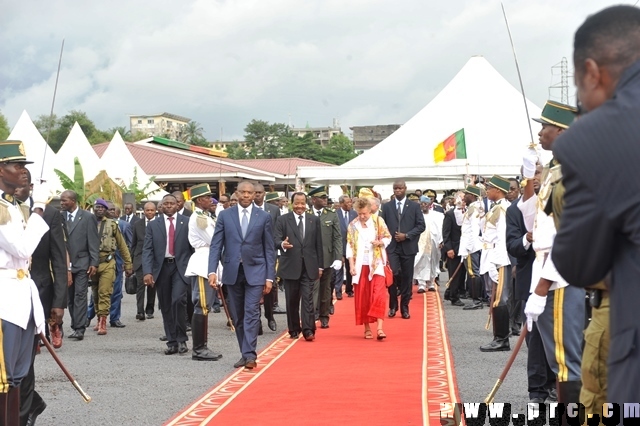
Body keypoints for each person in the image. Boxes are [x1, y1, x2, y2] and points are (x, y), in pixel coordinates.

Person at [520, 100, 584, 408]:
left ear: (561, 131)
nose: (540, 132)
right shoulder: (556, 171)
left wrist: (543, 288)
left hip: (558, 274)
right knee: (556, 356)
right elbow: (535, 221)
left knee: (564, 358)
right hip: (545, 266)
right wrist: (529, 180)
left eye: (545, 126)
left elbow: (567, 238)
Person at [0, 140, 50, 425]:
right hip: (4, 298)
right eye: (16, 165)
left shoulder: (13, 206)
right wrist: (40, 208)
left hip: (21, 295)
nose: (22, 172)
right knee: (4, 376)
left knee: (17, 374)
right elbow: (22, 249)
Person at [14, 165, 67, 425]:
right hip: (10, 291)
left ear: (32, 187)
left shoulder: (51, 214)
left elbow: (58, 258)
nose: (19, 189)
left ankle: (23, 412)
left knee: (27, 355)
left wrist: (59, 303)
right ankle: (30, 401)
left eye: (25, 184)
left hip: (39, 291)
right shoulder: (7, 209)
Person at [209, 181, 276, 369]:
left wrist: (270, 277)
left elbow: (269, 248)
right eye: (243, 192)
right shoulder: (225, 215)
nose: (246, 195)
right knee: (237, 316)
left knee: (251, 313)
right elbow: (216, 245)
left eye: (250, 193)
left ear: (255, 195)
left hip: (256, 271)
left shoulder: (263, 217)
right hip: (232, 272)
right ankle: (245, 353)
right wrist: (212, 271)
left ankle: (250, 355)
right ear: (236, 194)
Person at [506, 163, 557, 403]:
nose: (536, 178)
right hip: (530, 277)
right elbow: (513, 245)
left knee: (557, 335)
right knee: (534, 338)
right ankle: (537, 390)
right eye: (531, 174)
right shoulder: (516, 210)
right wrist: (527, 238)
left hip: (557, 276)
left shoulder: (555, 198)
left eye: (539, 173)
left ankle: (556, 383)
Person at [143, 194, 193, 355]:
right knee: (165, 305)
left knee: (178, 301)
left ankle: (182, 338)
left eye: (172, 203)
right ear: (162, 206)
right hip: (161, 268)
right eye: (166, 204)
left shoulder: (187, 222)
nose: (170, 206)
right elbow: (147, 249)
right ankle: (172, 342)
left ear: (178, 206)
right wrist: (147, 271)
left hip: (181, 268)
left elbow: (193, 247)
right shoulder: (153, 225)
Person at [275, 192, 323, 341]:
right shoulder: (282, 220)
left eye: (302, 203)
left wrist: (320, 266)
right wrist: (282, 244)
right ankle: (294, 329)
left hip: (309, 266)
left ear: (306, 204)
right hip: (290, 266)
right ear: (291, 203)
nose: (299, 206)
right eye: (297, 203)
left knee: (308, 299)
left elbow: (318, 244)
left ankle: (308, 330)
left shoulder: (313, 220)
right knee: (292, 300)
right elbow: (275, 238)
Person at [184, 184, 223, 361]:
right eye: (207, 197)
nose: (210, 200)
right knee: (202, 304)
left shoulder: (206, 216)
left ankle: (202, 346)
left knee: (204, 305)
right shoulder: (199, 218)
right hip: (203, 262)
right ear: (200, 200)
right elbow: (214, 240)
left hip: (209, 260)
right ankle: (199, 349)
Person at [379, 180, 426, 319]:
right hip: (391, 247)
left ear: (405, 189)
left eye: (400, 188)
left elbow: (421, 226)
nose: (398, 190)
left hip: (408, 246)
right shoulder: (386, 207)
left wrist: (407, 235)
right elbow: (382, 226)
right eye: (395, 188)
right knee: (392, 274)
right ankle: (393, 305)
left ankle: (405, 307)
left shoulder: (414, 206)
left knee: (407, 277)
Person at [346, 197, 391, 339]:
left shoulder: (378, 221)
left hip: (377, 264)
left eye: (364, 213)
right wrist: (351, 266)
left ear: (370, 210)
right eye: (359, 213)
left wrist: (380, 242)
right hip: (360, 266)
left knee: (379, 295)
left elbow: (388, 237)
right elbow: (350, 246)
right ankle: (366, 327)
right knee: (363, 297)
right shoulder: (353, 225)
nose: (362, 216)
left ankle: (380, 328)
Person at [88, 199, 133, 335]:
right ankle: (98, 318)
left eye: (103, 207)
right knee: (95, 293)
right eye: (97, 207)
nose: (100, 209)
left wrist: (128, 263)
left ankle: (103, 321)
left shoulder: (112, 225)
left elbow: (122, 245)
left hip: (108, 262)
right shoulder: (87, 223)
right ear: (94, 208)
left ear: (106, 210)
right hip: (92, 263)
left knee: (105, 292)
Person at [60, 190, 99, 341]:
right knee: (69, 297)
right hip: (65, 264)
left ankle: (80, 328)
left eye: (65, 200)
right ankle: (74, 325)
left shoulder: (88, 217)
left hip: (82, 263)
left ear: (73, 201)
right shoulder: (60, 217)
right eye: (61, 200)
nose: (62, 203)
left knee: (80, 295)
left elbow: (93, 241)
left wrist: (94, 262)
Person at [479, 175, 512, 352]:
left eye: (489, 188)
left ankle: (502, 339)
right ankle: (498, 337)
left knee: (500, 299)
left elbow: (502, 237)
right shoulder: (495, 208)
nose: (487, 190)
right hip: (492, 254)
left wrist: (497, 261)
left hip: (500, 256)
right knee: (496, 298)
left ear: (498, 190)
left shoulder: (503, 209)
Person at [308, 186, 342, 329]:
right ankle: (311, 314)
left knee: (325, 288)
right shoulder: (307, 213)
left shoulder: (331, 214)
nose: (325, 200)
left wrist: (338, 257)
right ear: (314, 199)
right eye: (322, 198)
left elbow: (337, 237)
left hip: (327, 256)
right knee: (310, 287)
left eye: (325, 198)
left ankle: (324, 315)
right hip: (310, 257)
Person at [253, 183, 282, 333]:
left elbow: (277, 231)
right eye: (255, 193)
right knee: (254, 286)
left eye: (259, 192)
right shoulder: (248, 210)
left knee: (270, 285)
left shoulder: (274, 210)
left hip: (270, 253)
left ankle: (270, 315)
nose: (257, 195)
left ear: (264, 194)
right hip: (253, 254)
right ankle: (256, 320)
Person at [457, 186, 484, 310]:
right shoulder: (471, 208)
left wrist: (468, 247)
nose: (464, 197)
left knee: (474, 273)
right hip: (471, 245)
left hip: (471, 246)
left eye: (466, 194)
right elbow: (459, 222)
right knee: (473, 273)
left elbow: (474, 229)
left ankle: (477, 300)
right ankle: (477, 299)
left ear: (472, 195)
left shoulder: (474, 209)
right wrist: (459, 207)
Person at [131, 202, 157, 321]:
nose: (150, 212)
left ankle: (150, 309)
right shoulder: (137, 224)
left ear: (155, 211)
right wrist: (131, 262)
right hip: (140, 259)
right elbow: (134, 244)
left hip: (155, 260)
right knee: (140, 286)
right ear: (144, 211)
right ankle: (140, 311)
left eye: (152, 210)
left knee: (152, 285)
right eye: (147, 210)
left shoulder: (159, 223)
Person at [415, 196, 443, 294]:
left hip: (434, 242)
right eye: (422, 203)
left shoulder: (437, 215)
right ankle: (421, 284)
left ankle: (431, 283)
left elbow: (441, 229)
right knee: (421, 262)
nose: (424, 205)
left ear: (429, 204)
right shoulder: (417, 215)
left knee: (433, 262)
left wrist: (441, 240)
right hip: (420, 243)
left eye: (425, 203)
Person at [335, 194, 357, 300]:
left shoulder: (354, 214)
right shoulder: (335, 214)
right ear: (341, 204)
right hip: (339, 246)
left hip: (351, 247)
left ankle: (349, 289)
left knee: (350, 269)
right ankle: (338, 291)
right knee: (338, 270)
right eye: (347, 202)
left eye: (350, 202)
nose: (350, 204)